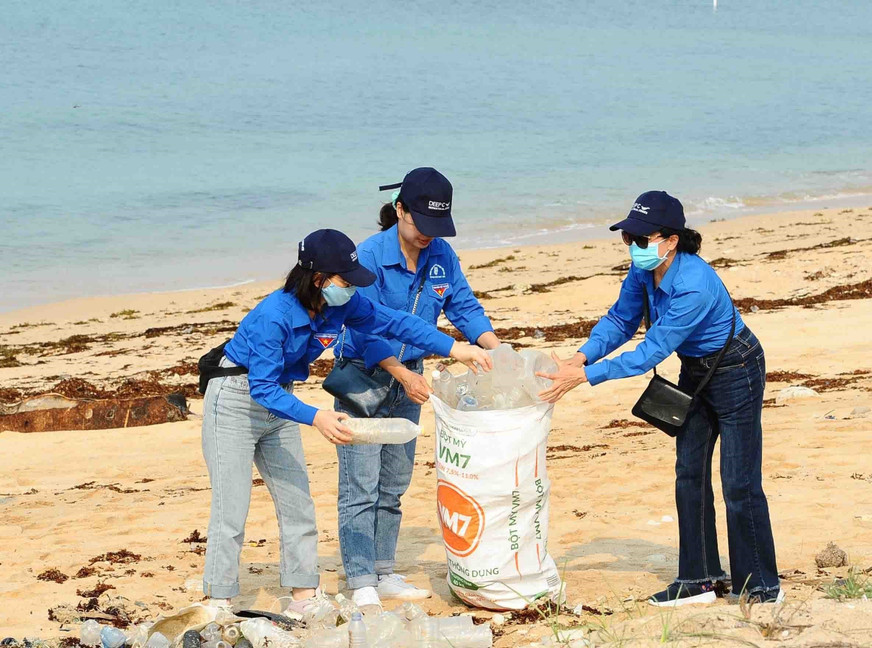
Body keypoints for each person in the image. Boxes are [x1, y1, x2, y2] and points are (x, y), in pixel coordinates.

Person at [200, 228, 491, 619]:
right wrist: (317, 416)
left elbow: (398, 324)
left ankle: (303, 595)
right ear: (318, 279)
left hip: (283, 400)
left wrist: (456, 348)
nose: (352, 290)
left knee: (298, 504)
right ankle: (220, 598)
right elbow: (261, 387)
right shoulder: (274, 316)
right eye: (344, 282)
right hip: (237, 400)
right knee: (231, 508)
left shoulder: (341, 306)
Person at [539, 191, 782, 607]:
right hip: (695, 370)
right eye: (627, 239)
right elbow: (620, 320)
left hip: (736, 369)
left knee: (739, 483)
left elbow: (652, 351)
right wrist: (577, 358)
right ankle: (699, 579)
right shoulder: (641, 272)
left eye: (641, 239)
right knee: (689, 473)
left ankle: (760, 585)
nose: (633, 248)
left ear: (671, 240)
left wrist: (585, 377)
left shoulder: (694, 285)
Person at [334, 168, 501, 611]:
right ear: (399, 210)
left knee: (394, 482)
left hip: (412, 378)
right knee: (360, 483)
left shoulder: (442, 253)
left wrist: (497, 350)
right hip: (364, 377)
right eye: (420, 224)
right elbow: (363, 326)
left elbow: (462, 304)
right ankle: (360, 577)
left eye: (437, 227)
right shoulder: (367, 256)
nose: (428, 235)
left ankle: (385, 571)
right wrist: (401, 373)